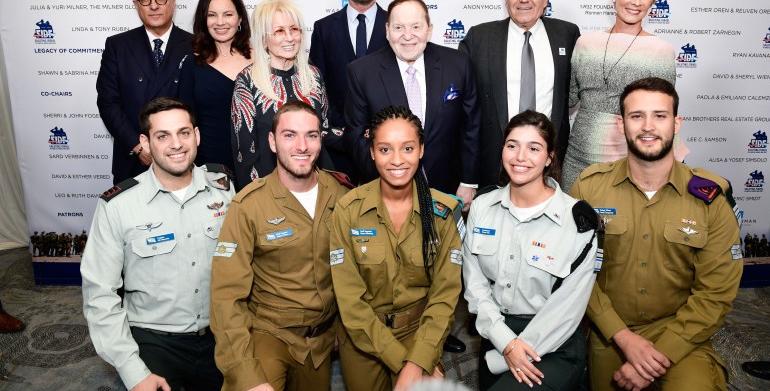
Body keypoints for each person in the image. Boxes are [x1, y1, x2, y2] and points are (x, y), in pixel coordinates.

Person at [570, 77, 743, 391]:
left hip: (682, 334)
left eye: (659, 116)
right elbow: (573, 270)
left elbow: (715, 293)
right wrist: (622, 337)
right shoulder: (589, 187)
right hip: (609, 332)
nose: (648, 126)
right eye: (637, 116)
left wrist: (660, 353)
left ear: (676, 123)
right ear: (622, 124)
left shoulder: (710, 197)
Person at [81, 97, 235, 391]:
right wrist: (133, 371)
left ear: (197, 135)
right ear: (145, 143)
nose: (176, 144)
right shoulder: (117, 206)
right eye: (162, 136)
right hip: (155, 341)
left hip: (223, 335)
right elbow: (100, 294)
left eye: (184, 132)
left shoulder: (225, 190)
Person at [210, 101, 351, 391]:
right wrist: (245, 374)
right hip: (269, 333)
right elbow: (226, 297)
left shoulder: (342, 195)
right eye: (289, 135)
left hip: (321, 340)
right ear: (272, 142)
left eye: (311, 135)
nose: (302, 146)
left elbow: (353, 270)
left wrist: (342, 327)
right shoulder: (249, 205)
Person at [331, 105, 463, 391]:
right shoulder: (348, 210)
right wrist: (406, 364)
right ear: (372, 153)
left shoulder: (442, 212)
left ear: (421, 150)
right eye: (385, 149)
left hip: (420, 333)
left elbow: (444, 297)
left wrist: (419, 360)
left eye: (407, 148)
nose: (397, 160)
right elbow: (350, 303)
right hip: (363, 338)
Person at [463, 110, 598, 390]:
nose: (520, 157)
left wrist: (515, 349)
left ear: (550, 157)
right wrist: (505, 342)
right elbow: (475, 287)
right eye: (512, 145)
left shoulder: (577, 221)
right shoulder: (481, 208)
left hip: (553, 344)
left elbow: (568, 308)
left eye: (533, 148)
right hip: (496, 336)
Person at [345, 0, 480, 211]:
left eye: (416, 26)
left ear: (429, 29)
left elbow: (472, 126)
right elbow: (355, 135)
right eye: (399, 27)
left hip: (448, 191)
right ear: (387, 30)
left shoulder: (458, 64)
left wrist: (468, 181)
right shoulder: (361, 72)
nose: (408, 36)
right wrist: (390, 177)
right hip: (386, 193)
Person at [562, 0, 683, 191]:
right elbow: (569, 99)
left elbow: (662, 114)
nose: (636, 2)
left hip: (631, 163)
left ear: (653, 1)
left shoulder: (661, 51)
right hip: (578, 158)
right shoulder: (585, 43)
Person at [459, 0, 579, 188]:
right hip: (493, 167)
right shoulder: (479, 38)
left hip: (550, 165)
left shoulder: (567, 35)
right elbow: (463, 108)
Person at [231, 0, 339, 191]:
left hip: (317, 185)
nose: (289, 38)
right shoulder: (247, 81)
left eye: (294, 29)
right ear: (264, 38)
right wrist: (256, 197)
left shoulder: (313, 76)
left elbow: (324, 131)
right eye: (279, 31)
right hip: (269, 189)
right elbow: (244, 152)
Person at [96, 0, 193, 184]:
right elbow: (108, 102)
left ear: (173, 1)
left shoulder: (195, 45)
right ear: (135, 3)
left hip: (183, 158)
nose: (153, 5)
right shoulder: (117, 46)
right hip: (133, 160)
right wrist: (139, 147)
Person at [310, 0, 389, 180]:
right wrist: (338, 127)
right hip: (338, 146)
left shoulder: (395, 27)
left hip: (385, 146)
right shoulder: (324, 29)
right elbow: (317, 85)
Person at [179, 0, 252, 172]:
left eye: (228, 14)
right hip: (210, 165)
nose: (220, 22)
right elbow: (186, 119)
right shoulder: (192, 64)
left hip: (258, 160)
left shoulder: (262, 60)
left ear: (240, 18)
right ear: (204, 20)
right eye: (212, 15)